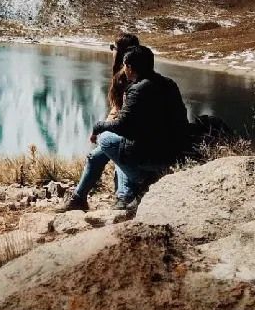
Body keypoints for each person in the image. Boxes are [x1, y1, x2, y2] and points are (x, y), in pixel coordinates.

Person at [60, 45, 189, 211]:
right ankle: (81, 197)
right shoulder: (169, 84)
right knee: (99, 154)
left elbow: (123, 126)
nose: (124, 69)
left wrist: (98, 126)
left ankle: (138, 184)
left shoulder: (138, 89)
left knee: (106, 139)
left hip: (152, 153)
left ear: (129, 67)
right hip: (171, 149)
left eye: (124, 66)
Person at [106, 33, 140, 205]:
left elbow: (124, 113)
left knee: (114, 149)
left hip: (133, 133)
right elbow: (117, 110)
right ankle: (79, 197)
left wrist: (103, 127)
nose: (111, 51)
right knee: (98, 152)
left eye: (112, 48)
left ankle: (124, 196)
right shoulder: (137, 73)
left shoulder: (126, 78)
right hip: (131, 130)